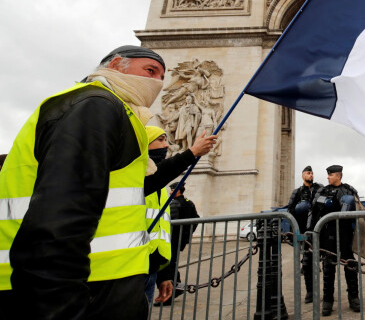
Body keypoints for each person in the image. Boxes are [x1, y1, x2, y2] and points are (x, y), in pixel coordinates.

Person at [0, 45, 166, 320]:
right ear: (115, 65)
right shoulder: (94, 105)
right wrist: (57, 307)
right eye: (150, 71)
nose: (157, 83)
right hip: (76, 289)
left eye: (162, 77)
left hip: (99, 280)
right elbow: (61, 213)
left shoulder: (114, 110)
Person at [144, 126, 217, 307]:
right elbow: (156, 175)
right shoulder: (132, 176)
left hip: (149, 267)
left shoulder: (161, 189)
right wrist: (191, 153)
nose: (167, 146)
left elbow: (160, 233)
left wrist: (164, 276)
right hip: (125, 270)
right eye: (161, 140)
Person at [308, 165, 361, 316]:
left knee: (350, 264)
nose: (328, 177)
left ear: (338, 176)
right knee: (328, 267)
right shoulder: (323, 191)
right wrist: (311, 231)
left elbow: (359, 209)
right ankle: (328, 300)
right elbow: (314, 209)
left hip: (345, 233)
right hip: (328, 233)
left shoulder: (349, 190)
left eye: (330, 175)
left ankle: (353, 296)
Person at [157, 181, 200, 304]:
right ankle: (177, 287)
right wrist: (188, 234)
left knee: (168, 265)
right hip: (181, 239)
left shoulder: (174, 204)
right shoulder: (189, 203)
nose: (170, 192)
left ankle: (170, 293)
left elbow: (169, 223)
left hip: (171, 239)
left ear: (177, 191)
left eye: (172, 190)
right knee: (172, 263)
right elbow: (196, 219)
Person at [286, 165, 323, 304]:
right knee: (307, 264)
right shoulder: (297, 192)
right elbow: (290, 211)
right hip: (304, 232)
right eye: (308, 173)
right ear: (302, 175)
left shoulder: (319, 188)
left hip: (319, 231)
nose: (311, 175)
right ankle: (310, 292)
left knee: (326, 264)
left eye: (312, 173)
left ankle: (326, 293)